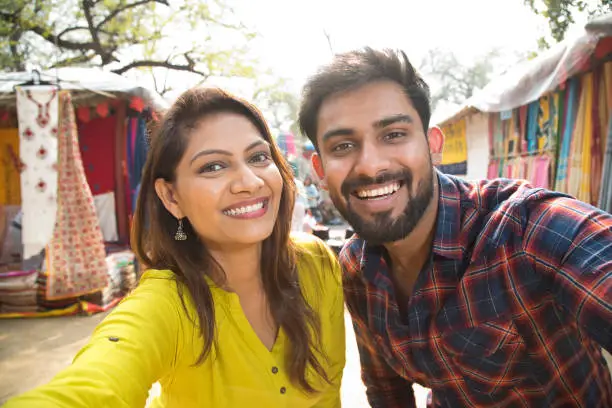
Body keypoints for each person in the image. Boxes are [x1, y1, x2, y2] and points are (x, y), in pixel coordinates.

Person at [298, 47, 612, 407]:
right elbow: (387, 391)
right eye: (344, 145)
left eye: (394, 134)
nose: (370, 165)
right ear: (321, 172)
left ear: (434, 146)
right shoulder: (356, 269)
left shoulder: (527, 230)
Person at [5, 87, 345, 407]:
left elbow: (329, 396)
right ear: (171, 196)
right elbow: (96, 382)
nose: (251, 182)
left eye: (258, 157)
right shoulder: (169, 302)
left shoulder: (315, 262)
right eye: (213, 166)